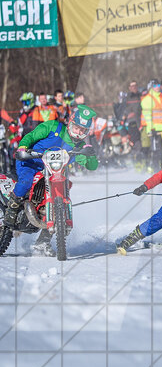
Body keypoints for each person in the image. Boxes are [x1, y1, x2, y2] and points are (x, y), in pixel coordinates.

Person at [5, 105, 99, 256]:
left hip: (52, 174)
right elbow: (31, 136)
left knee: (62, 192)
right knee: (26, 183)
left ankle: (43, 241)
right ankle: (11, 210)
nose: (78, 132)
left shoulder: (79, 146)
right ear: (70, 122)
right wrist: (23, 147)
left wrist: (91, 154)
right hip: (30, 162)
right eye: (77, 127)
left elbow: (92, 166)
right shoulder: (53, 126)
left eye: (83, 130)